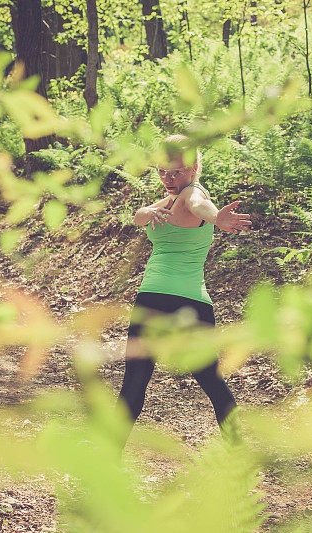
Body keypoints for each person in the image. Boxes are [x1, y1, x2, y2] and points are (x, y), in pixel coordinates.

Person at [117, 135, 251, 448]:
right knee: (210, 380)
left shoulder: (191, 193)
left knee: (135, 383)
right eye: (161, 171)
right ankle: (238, 455)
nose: (167, 178)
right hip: (193, 303)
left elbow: (200, 206)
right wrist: (147, 212)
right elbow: (137, 216)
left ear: (192, 168)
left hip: (154, 299)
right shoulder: (170, 199)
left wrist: (218, 217)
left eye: (175, 172)